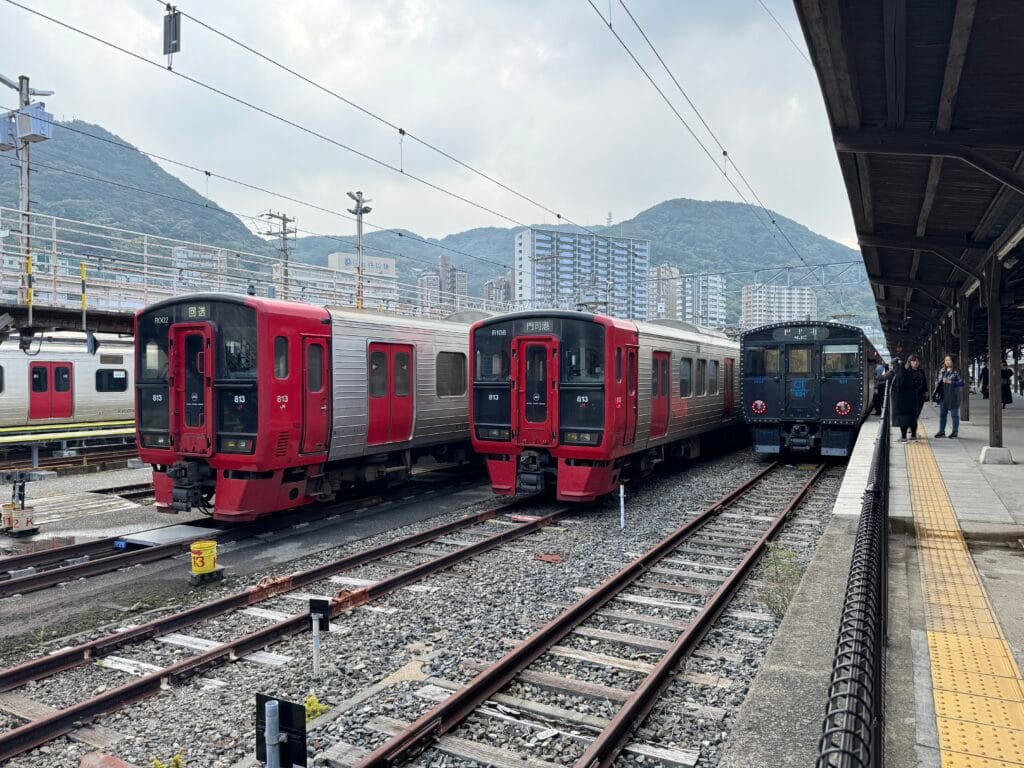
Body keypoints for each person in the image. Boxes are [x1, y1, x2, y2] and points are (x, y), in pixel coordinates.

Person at [892, 355, 928, 442]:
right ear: (909, 362)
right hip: (912, 396)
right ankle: (911, 433)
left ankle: (910, 434)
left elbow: (924, 382)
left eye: (916, 361)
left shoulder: (920, 371)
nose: (915, 363)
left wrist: (925, 392)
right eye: (913, 361)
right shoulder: (907, 371)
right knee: (911, 415)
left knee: (913, 416)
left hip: (918, 396)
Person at [934, 354, 965, 438]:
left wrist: (951, 382)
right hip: (943, 395)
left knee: (954, 414)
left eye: (949, 360)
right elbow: (938, 380)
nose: (947, 362)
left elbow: (962, 383)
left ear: (953, 361)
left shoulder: (957, 371)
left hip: (954, 396)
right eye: (946, 360)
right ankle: (941, 431)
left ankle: (955, 432)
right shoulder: (942, 371)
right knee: (942, 414)